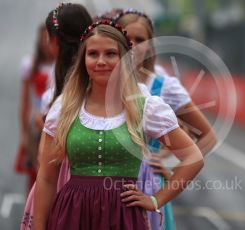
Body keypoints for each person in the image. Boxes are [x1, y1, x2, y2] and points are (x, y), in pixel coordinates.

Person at [33, 19, 204, 230]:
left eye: (110, 54)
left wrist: (155, 200)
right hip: (73, 214)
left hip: (123, 217)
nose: (101, 61)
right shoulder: (65, 107)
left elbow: (193, 157)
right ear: (83, 60)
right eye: (93, 54)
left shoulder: (145, 107)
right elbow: (46, 178)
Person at [114, 9, 217, 229]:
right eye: (126, 37)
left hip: (146, 184)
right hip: (105, 183)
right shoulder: (101, 84)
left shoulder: (164, 87)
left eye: (140, 40)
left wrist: (168, 164)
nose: (132, 45)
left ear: (150, 46)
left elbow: (207, 135)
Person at [20, 3, 93, 230]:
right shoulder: (108, 87)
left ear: (55, 42)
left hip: (66, 187)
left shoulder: (57, 97)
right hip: (99, 192)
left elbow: (46, 168)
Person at [16, 23, 55, 193]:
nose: (46, 43)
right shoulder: (31, 64)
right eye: (43, 39)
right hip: (36, 124)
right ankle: (30, 214)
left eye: (50, 39)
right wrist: (24, 134)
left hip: (54, 122)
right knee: (34, 173)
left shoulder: (63, 65)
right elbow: (25, 101)